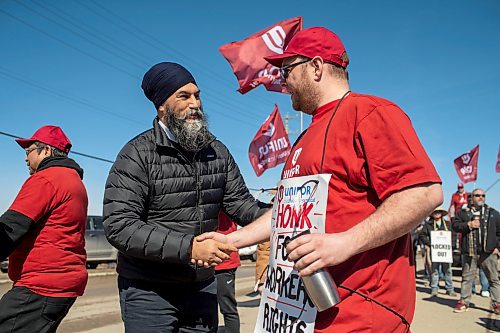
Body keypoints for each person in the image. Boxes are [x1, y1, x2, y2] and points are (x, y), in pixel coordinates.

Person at [198, 26, 443, 332]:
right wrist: (231, 240)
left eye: (288, 70)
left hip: (360, 313)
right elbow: (285, 213)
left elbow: (423, 193)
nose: (283, 81)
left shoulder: (371, 112)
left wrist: (345, 243)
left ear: (316, 66)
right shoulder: (306, 135)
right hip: (302, 314)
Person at [102, 62, 270, 333]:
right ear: (161, 105)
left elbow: (240, 204)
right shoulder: (137, 154)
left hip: (202, 288)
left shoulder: (217, 151)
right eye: (184, 96)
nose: (195, 104)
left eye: (197, 95)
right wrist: (189, 248)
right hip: (148, 292)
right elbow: (119, 226)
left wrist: (282, 212)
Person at [0, 125, 88, 333]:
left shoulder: (46, 179)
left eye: (28, 151)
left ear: (46, 150)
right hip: (61, 283)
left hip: (42, 283)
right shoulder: (74, 181)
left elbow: (12, 226)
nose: (25, 158)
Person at [452, 188, 500, 313]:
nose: (481, 197)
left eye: (483, 195)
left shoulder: (493, 213)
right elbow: (455, 226)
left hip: (488, 252)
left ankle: (497, 303)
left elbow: (499, 232)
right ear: (472, 198)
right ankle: (464, 301)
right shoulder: (463, 212)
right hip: (469, 251)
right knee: (467, 278)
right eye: (477, 195)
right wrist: (468, 225)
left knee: (493, 279)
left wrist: (497, 247)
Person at [419, 207, 456, 296]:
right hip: (434, 251)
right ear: (432, 214)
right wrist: (430, 243)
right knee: (434, 270)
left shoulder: (447, 224)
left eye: (439, 212)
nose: (437, 213)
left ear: (441, 213)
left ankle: (449, 289)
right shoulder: (428, 224)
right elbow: (422, 235)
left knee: (447, 270)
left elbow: (453, 235)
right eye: (435, 212)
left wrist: (452, 244)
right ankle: (434, 289)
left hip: (445, 251)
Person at [214, 212, 240, 333]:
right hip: (204, 261)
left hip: (225, 263)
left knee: (227, 307)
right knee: (206, 308)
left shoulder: (227, 197)